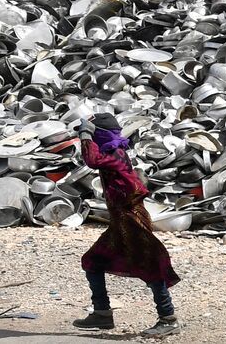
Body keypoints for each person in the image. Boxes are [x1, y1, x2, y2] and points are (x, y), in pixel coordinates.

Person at [72, 113, 181, 338]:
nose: (93, 141)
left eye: (95, 136)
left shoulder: (115, 154)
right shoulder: (112, 152)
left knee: (150, 266)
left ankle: (168, 318)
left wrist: (85, 134)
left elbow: (92, 160)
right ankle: (102, 313)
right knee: (93, 262)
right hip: (120, 220)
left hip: (131, 220)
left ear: (100, 135)